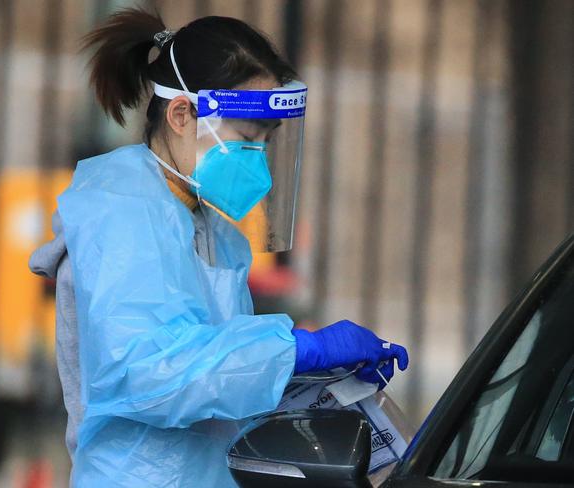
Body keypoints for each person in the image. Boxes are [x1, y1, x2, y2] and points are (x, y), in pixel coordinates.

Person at [29, 8, 409, 487]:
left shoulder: (212, 231)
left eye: (265, 142)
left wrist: (323, 383)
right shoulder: (121, 212)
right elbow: (147, 373)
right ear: (182, 114)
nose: (258, 159)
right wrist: (293, 350)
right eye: (245, 139)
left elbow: (216, 375)